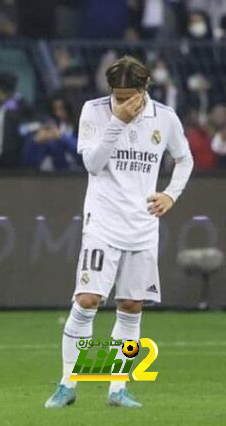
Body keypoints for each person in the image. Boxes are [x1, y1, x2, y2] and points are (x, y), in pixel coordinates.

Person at [45, 56, 193, 408]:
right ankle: (68, 384)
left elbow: (185, 159)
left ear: (144, 90)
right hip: (104, 221)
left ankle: (117, 388)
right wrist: (118, 121)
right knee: (87, 300)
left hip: (143, 225)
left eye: (129, 96)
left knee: (131, 306)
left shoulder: (165, 118)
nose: (122, 102)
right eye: (117, 95)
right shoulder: (94, 111)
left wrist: (170, 194)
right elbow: (92, 163)